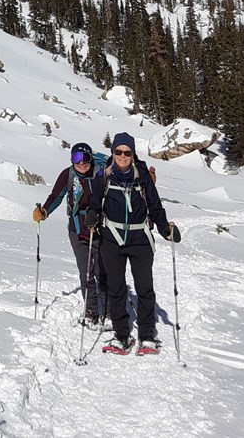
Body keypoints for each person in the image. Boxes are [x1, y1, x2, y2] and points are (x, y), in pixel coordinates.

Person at [85, 131, 181, 354]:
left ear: (133, 154)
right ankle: (121, 336)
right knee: (116, 288)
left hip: (140, 239)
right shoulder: (104, 176)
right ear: (113, 153)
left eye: (127, 152)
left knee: (144, 288)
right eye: (118, 152)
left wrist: (165, 228)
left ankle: (147, 336)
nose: (122, 156)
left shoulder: (143, 176)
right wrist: (92, 215)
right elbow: (95, 202)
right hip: (112, 237)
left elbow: (155, 206)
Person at [33, 142, 107, 326]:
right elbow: (56, 197)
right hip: (77, 231)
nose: (81, 164)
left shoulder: (100, 173)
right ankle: (91, 311)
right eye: (76, 159)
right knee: (86, 273)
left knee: (103, 272)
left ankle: (109, 312)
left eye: (85, 159)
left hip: (101, 231)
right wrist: (45, 211)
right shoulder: (68, 175)